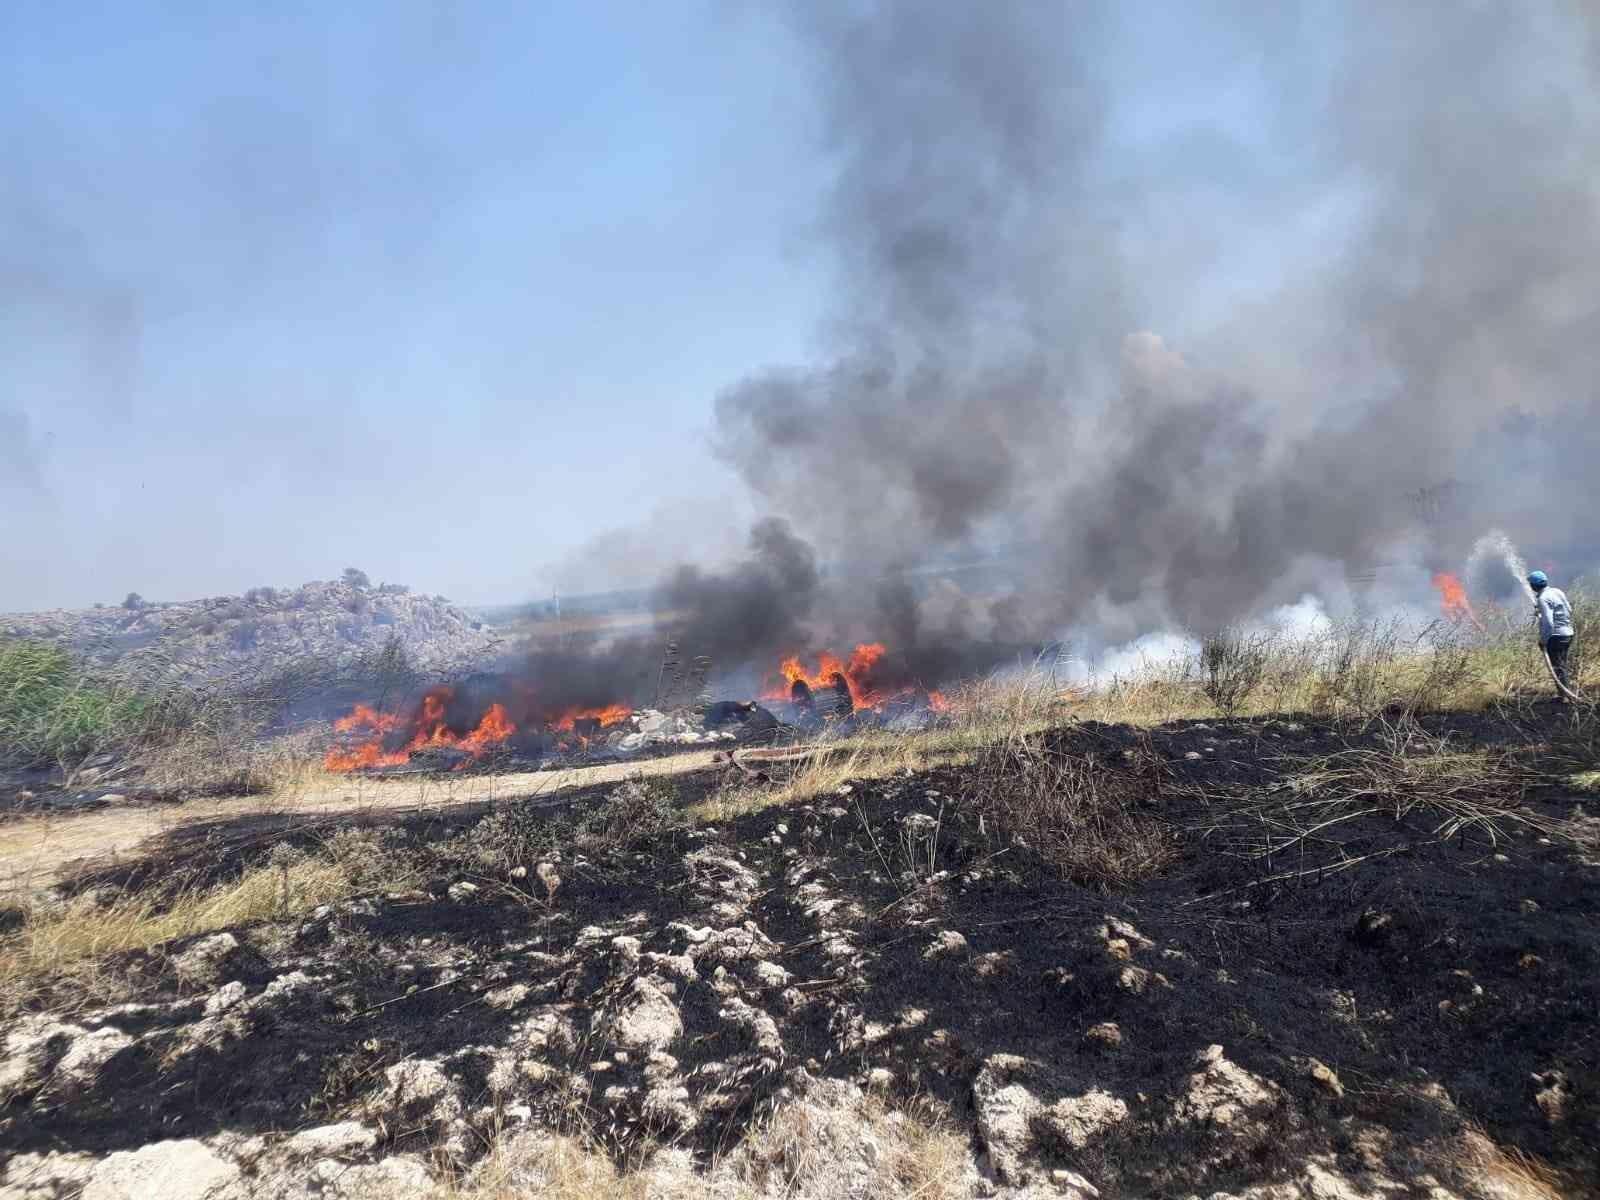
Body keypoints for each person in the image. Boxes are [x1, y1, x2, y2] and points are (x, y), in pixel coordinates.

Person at [1528, 571, 1576, 697]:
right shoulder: (1557, 591)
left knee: (1558, 667)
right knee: (1562, 665)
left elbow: (1549, 624)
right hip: (1568, 633)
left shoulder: (1543, 598)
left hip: (1556, 637)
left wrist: (1543, 640)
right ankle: (1565, 694)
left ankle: (1565, 696)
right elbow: (1569, 610)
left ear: (1533, 586)